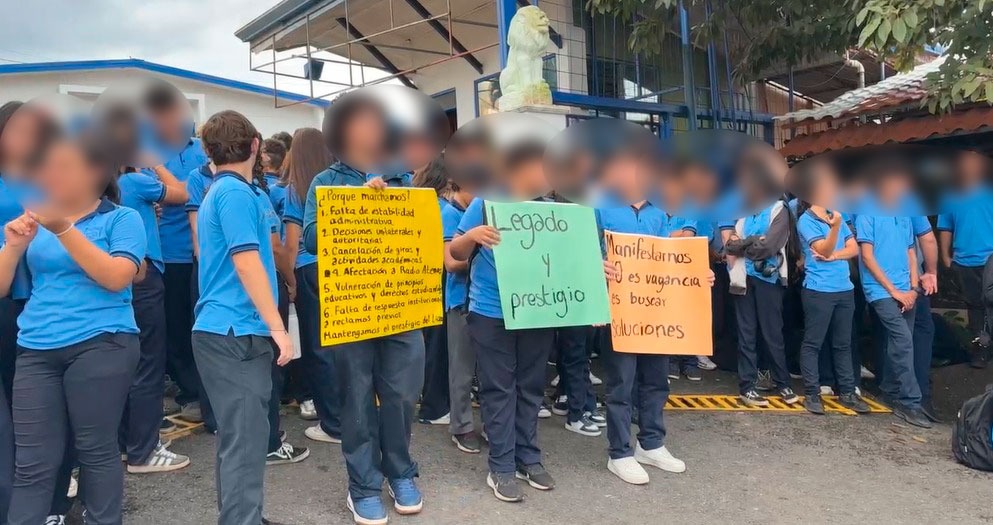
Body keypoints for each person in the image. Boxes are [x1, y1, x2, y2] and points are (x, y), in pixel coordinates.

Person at [0, 132, 145, 525]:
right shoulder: (36, 222)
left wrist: (64, 229)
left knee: (95, 451)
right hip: (35, 347)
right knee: (32, 463)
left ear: (95, 171)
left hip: (102, 344)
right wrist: (13, 246)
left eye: (63, 166)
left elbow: (117, 277)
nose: (50, 175)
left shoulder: (122, 218)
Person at [302, 104, 425, 524]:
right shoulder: (325, 181)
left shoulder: (403, 177)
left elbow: (423, 234)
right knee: (355, 395)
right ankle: (363, 484)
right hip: (353, 308)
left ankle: (400, 470)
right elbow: (312, 241)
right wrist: (355, 206)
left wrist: (397, 203)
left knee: (403, 393)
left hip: (402, 304)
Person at [192, 110, 292, 525]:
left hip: (229, 330)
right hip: (232, 331)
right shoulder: (234, 193)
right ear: (255, 145)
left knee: (242, 440)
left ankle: (242, 515)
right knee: (246, 441)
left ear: (207, 149)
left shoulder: (233, 191)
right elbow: (247, 260)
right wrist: (278, 327)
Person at [449, 141, 557, 503]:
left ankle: (529, 458)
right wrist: (472, 236)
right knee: (499, 388)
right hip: (491, 311)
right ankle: (502, 466)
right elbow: (455, 252)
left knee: (530, 387)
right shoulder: (487, 201)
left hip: (537, 312)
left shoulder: (552, 212)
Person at [117, 156, 192, 473]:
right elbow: (181, 193)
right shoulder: (135, 181)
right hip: (143, 273)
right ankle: (144, 450)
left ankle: (129, 442)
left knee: (128, 364)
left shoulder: (110, 188)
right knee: (149, 363)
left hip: (122, 278)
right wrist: (155, 162)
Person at [148, 83, 211, 426]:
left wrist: (170, 187)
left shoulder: (202, 148)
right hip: (169, 253)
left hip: (206, 253)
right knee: (175, 327)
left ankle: (205, 393)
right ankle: (189, 393)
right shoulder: (145, 151)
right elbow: (170, 194)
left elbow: (189, 191)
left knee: (201, 326)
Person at [280, 127, 342, 446]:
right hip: (340, 270)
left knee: (318, 348)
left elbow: (292, 245)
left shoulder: (296, 190)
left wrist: (289, 281)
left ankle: (332, 422)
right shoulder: (338, 182)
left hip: (308, 269)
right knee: (343, 345)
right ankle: (349, 413)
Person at [856, 170, 929, 428]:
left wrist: (913, 286)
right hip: (880, 291)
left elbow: (911, 251)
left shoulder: (904, 211)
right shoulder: (867, 210)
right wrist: (895, 291)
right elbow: (867, 257)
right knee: (902, 341)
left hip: (906, 289)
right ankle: (910, 403)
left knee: (897, 343)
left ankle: (888, 391)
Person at [793, 193, 870, 414]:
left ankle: (847, 392)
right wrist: (835, 227)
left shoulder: (835, 215)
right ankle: (812, 392)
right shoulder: (806, 220)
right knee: (813, 343)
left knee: (843, 343)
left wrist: (835, 255)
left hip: (844, 288)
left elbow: (853, 249)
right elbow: (821, 249)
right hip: (818, 289)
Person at [723, 197, 800, 408]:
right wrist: (755, 239)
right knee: (746, 334)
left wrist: (744, 243)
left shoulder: (778, 209)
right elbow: (730, 246)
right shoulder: (744, 211)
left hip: (769, 278)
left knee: (772, 333)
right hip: (742, 280)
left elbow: (769, 247)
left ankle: (782, 381)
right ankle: (747, 386)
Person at [441, 158, 482, 453]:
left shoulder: (476, 209)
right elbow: (450, 262)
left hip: (480, 301)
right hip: (460, 301)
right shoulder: (449, 213)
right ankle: (462, 427)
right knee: (462, 369)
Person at [938, 151, 993, 368]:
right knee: (975, 308)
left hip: (991, 259)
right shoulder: (949, 196)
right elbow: (945, 228)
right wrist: (945, 256)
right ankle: (980, 352)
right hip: (965, 261)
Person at [413, 158, 452, 426]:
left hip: (415, 281)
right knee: (438, 347)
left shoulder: (417, 202)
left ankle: (426, 401)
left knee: (424, 345)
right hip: (439, 280)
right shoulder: (445, 208)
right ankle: (434, 406)